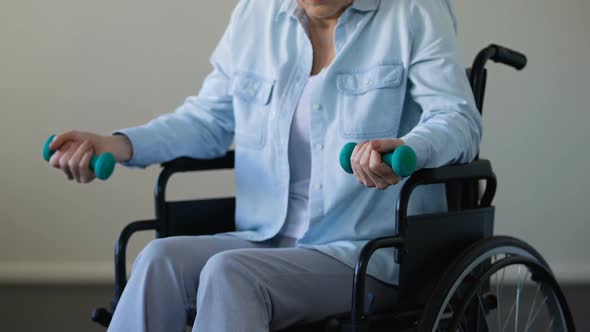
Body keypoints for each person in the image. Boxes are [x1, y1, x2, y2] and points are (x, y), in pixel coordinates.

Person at [49, 0, 481, 331]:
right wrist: (118, 143)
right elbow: (209, 119)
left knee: (230, 272)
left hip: (361, 252)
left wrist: (410, 148)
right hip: (266, 237)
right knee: (160, 257)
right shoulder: (257, 14)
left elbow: (457, 118)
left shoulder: (413, 11)